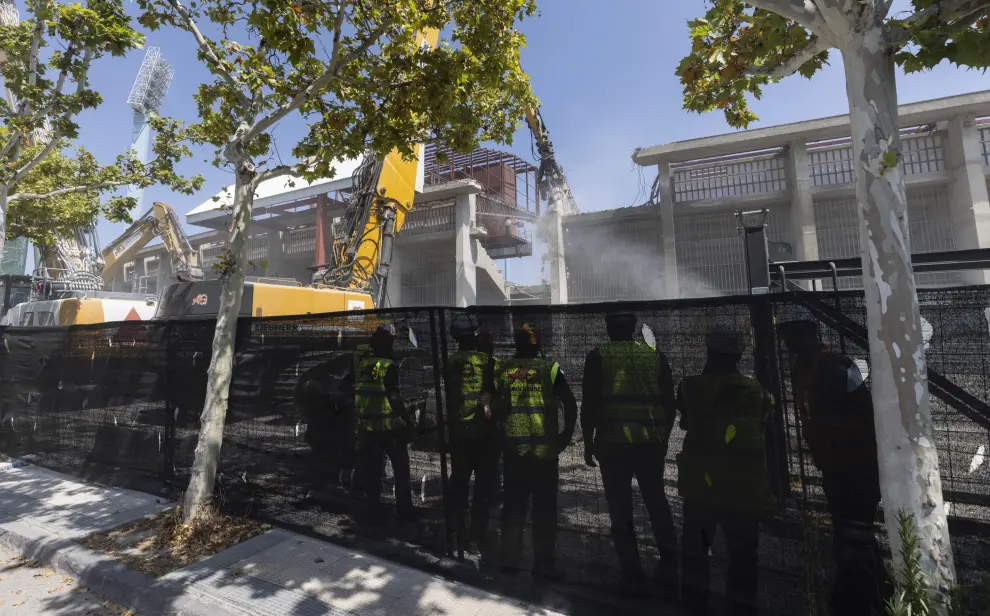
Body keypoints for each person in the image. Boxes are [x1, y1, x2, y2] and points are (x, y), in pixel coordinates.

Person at [778, 318, 890, 616]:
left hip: (857, 464)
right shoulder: (807, 369)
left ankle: (858, 598)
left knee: (853, 533)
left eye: (792, 343)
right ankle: (874, 593)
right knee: (851, 531)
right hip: (836, 465)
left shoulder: (836, 368)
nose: (789, 349)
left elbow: (865, 415)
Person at [676, 324, 776, 616]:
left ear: (709, 352)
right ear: (739, 354)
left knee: (696, 553)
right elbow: (764, 416)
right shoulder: (757, 392)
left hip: (702, 488)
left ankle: (695, 607)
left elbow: (684, 415)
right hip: (743, 488)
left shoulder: (691, 386)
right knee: (743, 557)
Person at [581, 310, 678, 595]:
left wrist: (588, 441)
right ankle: (671, 564)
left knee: (620, 507)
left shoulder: (598, 357)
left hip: (613, 445)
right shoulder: (654, 356)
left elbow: (589, 404)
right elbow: (669, 403)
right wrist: (664, 438)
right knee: (657, 502)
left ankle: (632, 572)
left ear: (608, 327)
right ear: (634, 328)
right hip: (650, 443)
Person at [495, 322, 578, 580]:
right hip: (544, 455)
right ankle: (543, 565)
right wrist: (566, 435)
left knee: (513, 508)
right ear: (537, 344)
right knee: (544, 511)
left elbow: (498, 409)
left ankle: (509, 561)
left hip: (514, 453)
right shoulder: (550, 370)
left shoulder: (505, 370)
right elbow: (571, 403)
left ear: (516, 343)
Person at [445, 313, 497, 558]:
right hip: (483, 437)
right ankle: (477, 536)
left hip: (459, 434)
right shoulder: (488, 362)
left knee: (459, 485)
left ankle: (458, 535)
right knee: (482, 489)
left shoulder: (451, 362)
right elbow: (492, 392)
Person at [354, 324, 416, 523]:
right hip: (390, 430)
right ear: (389, 342)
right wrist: (407, 421)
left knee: (373, 472)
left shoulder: (364, 364)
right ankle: (404, 512)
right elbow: (394, 398)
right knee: (401, 471)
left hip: (369, 428)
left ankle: (373, 510)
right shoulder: (388, 366)